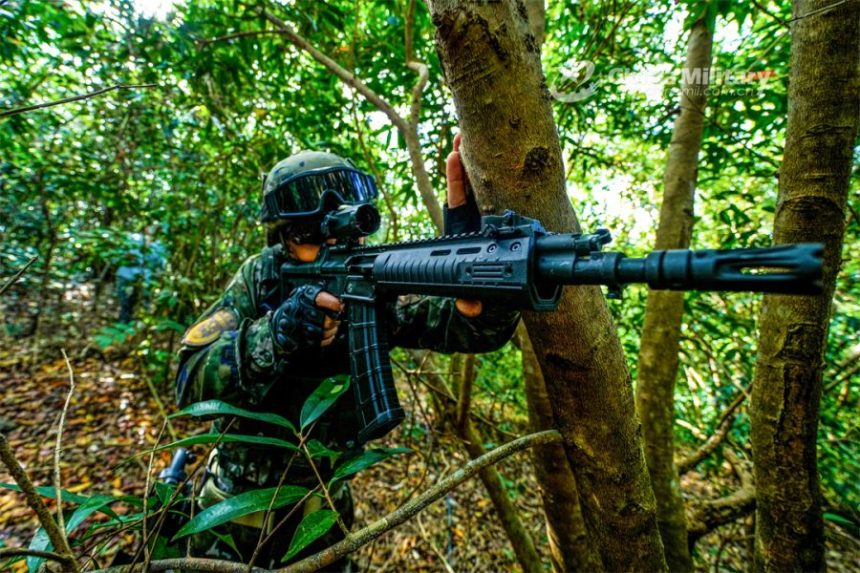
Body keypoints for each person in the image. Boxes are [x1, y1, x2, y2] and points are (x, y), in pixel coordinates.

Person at [174, 136, 519, 569]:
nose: (333, 243)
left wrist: (477, 267)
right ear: (282, 239)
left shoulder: (370, 280)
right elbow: (188, 381)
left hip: (325, 523)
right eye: (310, 234)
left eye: (341, 229)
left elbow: (472, 328)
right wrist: (277, 333)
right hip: (232, 523)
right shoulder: (260, 279)